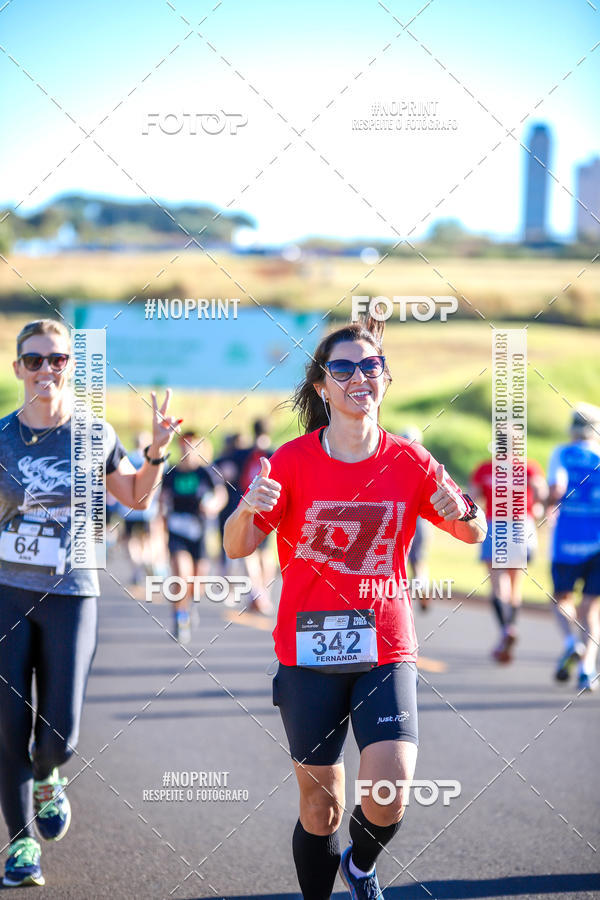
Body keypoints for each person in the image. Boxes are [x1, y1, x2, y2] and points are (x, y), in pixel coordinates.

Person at [224, 319, 486, 900]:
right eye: (342, 368)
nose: (358, 377)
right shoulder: (290, 462)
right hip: (307, 650)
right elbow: (237, 546)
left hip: (385, 646)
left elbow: (474, 532)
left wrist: (463, 510)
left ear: (385, 378)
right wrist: (246, 509)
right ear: (322, 387)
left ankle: (361, 864)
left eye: (370, 366)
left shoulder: (410, 459)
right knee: (322, 808)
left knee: (389, 793)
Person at [0, 319, 181, 887]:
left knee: (60, 734)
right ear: (18, 368)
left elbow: (135, 496)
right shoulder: (1, 436)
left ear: (70, 366)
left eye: (56, 359)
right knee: (8, 724)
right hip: (6, 592)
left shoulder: (93, 433)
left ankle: (49, 774)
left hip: (73, 592)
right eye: (34, 360)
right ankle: (20, 844)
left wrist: (156, 451)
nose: (46, 370)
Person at [469, 446, 547, 663]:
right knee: (515, 586)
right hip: (521, 525)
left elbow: (471, 498)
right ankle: (509, 628)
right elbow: (541, 491)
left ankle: (506, 629)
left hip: (495, 525)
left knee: (497, 584)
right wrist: (537, 505)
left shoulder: (485, 468)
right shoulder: (528, 467)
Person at [548, 404, 600, 692]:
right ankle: (587, 669)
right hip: (597, 543)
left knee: (561, 599)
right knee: (591, 609)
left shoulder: (561, 453)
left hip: (566, 541)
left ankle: (571, 642)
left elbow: (556, 489)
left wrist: (547, 505)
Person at [161, 430, 227, 644]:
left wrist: (212, 505)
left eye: (192, 445)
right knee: (181, 573)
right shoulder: (171, 473)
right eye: (184, 445)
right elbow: (162, 500)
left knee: (197, 583)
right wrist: (159, 528)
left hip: (199, 532)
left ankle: (188, 606)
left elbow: (221, 494)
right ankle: (180, 617)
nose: (187, 450)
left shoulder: (206, 472)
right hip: (177, 531)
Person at [116, 431, 163, 586]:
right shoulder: (152, 459)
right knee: (147, 540)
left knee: (130, 540)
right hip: (148, 509)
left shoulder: (126, 458)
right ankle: (146, 562)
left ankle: (137, 568)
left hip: (128, 509)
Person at [400, 427, 432, 611]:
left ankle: (404, 599)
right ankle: (422, 589)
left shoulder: (394, 463)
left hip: (404, 520)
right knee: (418, 561)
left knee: (400, 563)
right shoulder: (423, 462)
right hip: (421, 521)